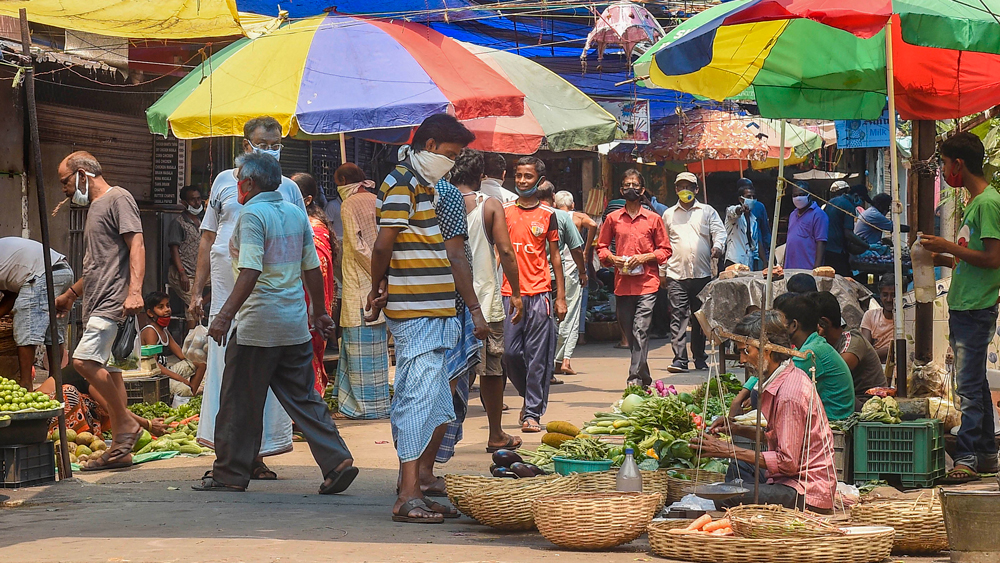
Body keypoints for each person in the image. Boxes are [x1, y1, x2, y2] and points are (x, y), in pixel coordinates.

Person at [192, 152, 356, 494]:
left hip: (258, 325)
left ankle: (229, 474)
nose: (237, 185)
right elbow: (311, 267)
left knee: (238, 400)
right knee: (304, 397)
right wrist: (319, 313)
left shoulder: (253, 215)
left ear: (249, 183)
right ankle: (336, 460)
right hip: (293, 322)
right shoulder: (296, 213)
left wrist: (223, 316)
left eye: (239, 180)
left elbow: (251, 269)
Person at [366, 113, 477, 523]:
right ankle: (407, 496)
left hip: (434, 308)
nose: (452, 162)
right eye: (450, 154)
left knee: (433, 402)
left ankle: (413, 489)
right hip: (416, 310)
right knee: (416, 399)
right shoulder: (401, 183)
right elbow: (383, 245)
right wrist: (377, 287)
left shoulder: (425, 185)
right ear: (430, 146)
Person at [188, 116, 306, 480]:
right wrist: (197, 289)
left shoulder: (289, 188)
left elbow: (300, 243)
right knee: (225, 367)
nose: (269, 148)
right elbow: (208, 238)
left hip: (267, 290)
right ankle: (228, 453)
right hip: (226, 285)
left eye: (275, 143)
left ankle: (255, 453)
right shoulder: (225, 181)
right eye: (262, 142)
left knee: (260, 369)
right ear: (245, 145)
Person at [53, 151, 146, 471]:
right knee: (114, 371)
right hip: (97, 300)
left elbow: (137, 244)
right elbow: (98, 265)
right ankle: (121, 449)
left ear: (82, 173)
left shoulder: (117, 198)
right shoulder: (95, 208)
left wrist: (135, 291)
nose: (64, 189)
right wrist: (71, 294)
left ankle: (127, 425)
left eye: (65, 181)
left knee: (84, 361)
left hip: (113, 301)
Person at [695, 311, 837, 512]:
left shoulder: (790, 393)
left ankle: (749, 512)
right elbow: (775, 436)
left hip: (806, 490)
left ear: (767, 351)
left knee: (728, 496)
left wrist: (726, 450)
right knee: (739, 469)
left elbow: (788, 464)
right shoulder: (782, 379)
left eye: (746, 352)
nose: (742, 360)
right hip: (788, 478)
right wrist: (735, 428)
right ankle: (750, 509)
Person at [919, 132, 1000, 483]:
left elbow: (994, 258)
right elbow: (975, 261)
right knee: (975, 382)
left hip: (976, 309)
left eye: (944, 163)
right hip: (967, 303)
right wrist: (946, 258)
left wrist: (949, 248)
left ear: (959, 164)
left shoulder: (987, 203)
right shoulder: (975, 201)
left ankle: (965, 456)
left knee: (966, 387)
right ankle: (986, 453)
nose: (944, 170)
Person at [451, 149, 524, 452]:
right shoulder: (490, 206)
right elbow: (506, 252)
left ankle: (442, 436)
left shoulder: (438, 203)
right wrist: (517, 294)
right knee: (492, 369)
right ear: (481, 176)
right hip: (485, 299)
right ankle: (495, 433)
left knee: (453, 370)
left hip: (448, 301)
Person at [429, 169, 489, 488]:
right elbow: (455, 254)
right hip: (448, 305)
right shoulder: (447, 194)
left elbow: (382, 247)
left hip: (411, 306)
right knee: (444, 390)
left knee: (418, 393)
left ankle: (412, 473)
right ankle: (423, 472)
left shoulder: (394, 189)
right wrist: (475, 309)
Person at [502, 156, 567, 434]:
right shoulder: (504, 212)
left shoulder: (548, 215)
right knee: (509, 353)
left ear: (538, 181)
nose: (522, 181)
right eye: (518, 176)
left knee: (538, 356)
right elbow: (499, 254)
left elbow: (555, 258)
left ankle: (532, 413)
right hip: (509, 294)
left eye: (527, 177)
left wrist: (560, 296)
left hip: (540, 294)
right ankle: (527, 396)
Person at [597, 169, 671, 387]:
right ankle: (645, 375)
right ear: (621, 190)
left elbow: (665, 250)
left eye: (635, 185)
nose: (631, 188)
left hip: (647, 283)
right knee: (630, 333)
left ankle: (634, 378)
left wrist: (645, 257)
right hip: (622, 284)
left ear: (642, 189)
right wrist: (613, 259)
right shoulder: (612, 219)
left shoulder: (653, 219)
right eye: (627, 185)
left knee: (641, 328)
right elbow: (601, 248)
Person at [331, 163, 390, 420]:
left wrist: (376, 274)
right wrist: (385, 275)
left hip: (360, 282)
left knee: (357, 342)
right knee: (376, 346)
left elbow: (356, 246)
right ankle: (364, 402)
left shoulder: (348, 205)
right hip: (382, 278)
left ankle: (362, 405)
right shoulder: (377, 200)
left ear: (343, 180)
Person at [661, 171, 726, 373]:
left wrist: (717, 247)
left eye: (689, 186)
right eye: (681, 187)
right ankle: (680, 359)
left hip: (702, 274)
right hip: (676, 274)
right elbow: (663, 244)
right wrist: (662, 271)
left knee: (700, 317)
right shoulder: (668, 214)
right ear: (676, 189)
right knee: (678, 317)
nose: (685, 190)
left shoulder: (707, 211)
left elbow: (720, 232)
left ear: (696, 189)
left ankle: (699, 357)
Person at [0, 237, 73, 390]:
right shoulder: (7, 258)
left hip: (41, 274)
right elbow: (10, 296)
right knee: (52, 332)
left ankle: (25, 384)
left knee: (25, 326)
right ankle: (55, 383)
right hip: (63, 270)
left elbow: (11, 298)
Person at [291, 172, 338, 396]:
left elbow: (318, 268)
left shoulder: (314, 227)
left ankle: (308, 411)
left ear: (307, 200)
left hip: (308, 305)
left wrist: (313, 308)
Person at [775, 292, 856, 421]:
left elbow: (778, 385)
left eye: (781, 323)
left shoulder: (811, 352)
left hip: (832, 422)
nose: (778, 328)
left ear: (794, 325)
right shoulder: (811, 344)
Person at [538, 182, 586, 382]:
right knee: (554, 324)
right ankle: (550, 368)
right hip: (554, 280)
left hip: (528, 279)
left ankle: (539, 369)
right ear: (553, 196)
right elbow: (576, 249)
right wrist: (583, 271)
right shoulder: (561, 217)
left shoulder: (521, 212)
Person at [814, 291, 887, 401]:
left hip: (870, 405)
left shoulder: (853, 340)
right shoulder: (826, 345)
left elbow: (835, 375)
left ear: (824, 323)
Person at [553, 190, 596, 374]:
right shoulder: (577, 217)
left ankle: (555, 358)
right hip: (573, 269)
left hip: (554, 270)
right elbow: (593, 224)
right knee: (572, 313)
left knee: (554, 314)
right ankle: (565, 360)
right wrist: (586, 249)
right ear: (572, 205)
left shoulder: (550, 214)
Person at [140, 291, 206, 397]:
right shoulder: (150, 331)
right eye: (161, 307)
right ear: (150, 313)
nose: (167, 310)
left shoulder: (164, 330)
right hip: (153, 376)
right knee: (183, 389)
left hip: (165, 372)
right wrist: (181, 379)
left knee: (201, 363)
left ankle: (190, 397)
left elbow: (182, 355)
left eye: (168, 305)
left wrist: (199, 353)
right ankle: (186, 395)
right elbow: (154, 366)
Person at [167, 185, 204, 332]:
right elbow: (174, 250)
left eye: (198, 199)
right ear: (184, 202)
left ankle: (198, 309)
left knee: (223, 284)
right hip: (183, 274)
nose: (196, 203)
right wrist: (181, 273)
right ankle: (192, 341)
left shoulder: (204, 221)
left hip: (200, 274)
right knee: (194, 305)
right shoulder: (178, 223)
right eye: (192, 200)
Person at [823, 180, 869, 277]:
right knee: (842, 279)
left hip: (826, 248)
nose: (860, 203)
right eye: (862, 200)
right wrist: (866, 245)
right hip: (837, 251)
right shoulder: (848, 206)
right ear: (856, 196)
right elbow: (848, 233)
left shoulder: (832, 201)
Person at [784, 182, 828, 270]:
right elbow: (789, 240)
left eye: (801, 194)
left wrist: (817, 268)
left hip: (807, 267)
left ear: (809, 195)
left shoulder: (818, 214)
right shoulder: (793, 214)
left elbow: (821, 243)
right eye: (795, 195)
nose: (798, 198)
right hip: (790, 267)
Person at [724, 182, 760, 270]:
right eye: (748, 197)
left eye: (753, 197)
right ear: (741, 199)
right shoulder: (732, 216)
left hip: (748, 262)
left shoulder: (753, 220)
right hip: (734, 260)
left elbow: (755, 244)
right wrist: (740, 209)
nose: (752, 199)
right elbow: (733, 211)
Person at [861, 274, 895, 362]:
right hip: (876, 366)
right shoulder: (870, 315)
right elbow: (865, 350)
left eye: (893, 295)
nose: (889, 299)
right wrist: (889, 351)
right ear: (880, 295)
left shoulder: (908, 319)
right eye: (885, 295)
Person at [738, 178, 772, 266]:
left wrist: (768, 254)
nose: (751, 199)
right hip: (740, 255)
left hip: (759, 253)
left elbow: (765, 231)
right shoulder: (735, 212)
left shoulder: (759, 207)